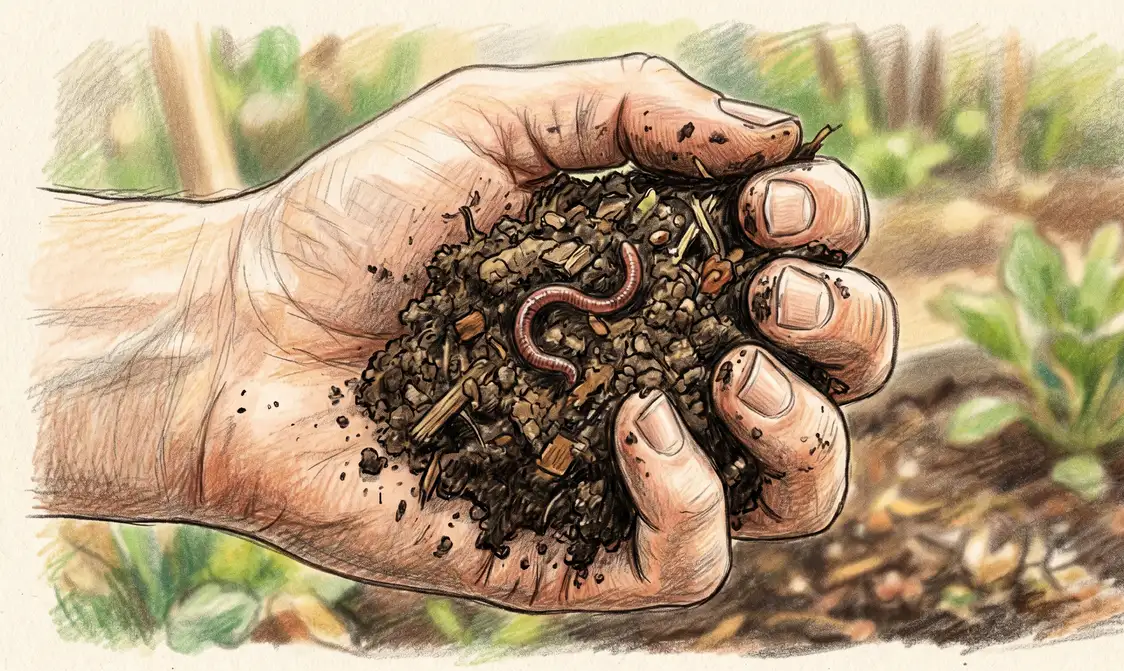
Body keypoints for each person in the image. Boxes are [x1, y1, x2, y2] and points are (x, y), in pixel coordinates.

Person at [32, 54, 896, 611]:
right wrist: (228, 301)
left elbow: (565, 309)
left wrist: (223, 301)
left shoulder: (569, 303)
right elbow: (555, 313)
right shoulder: (511, 317)